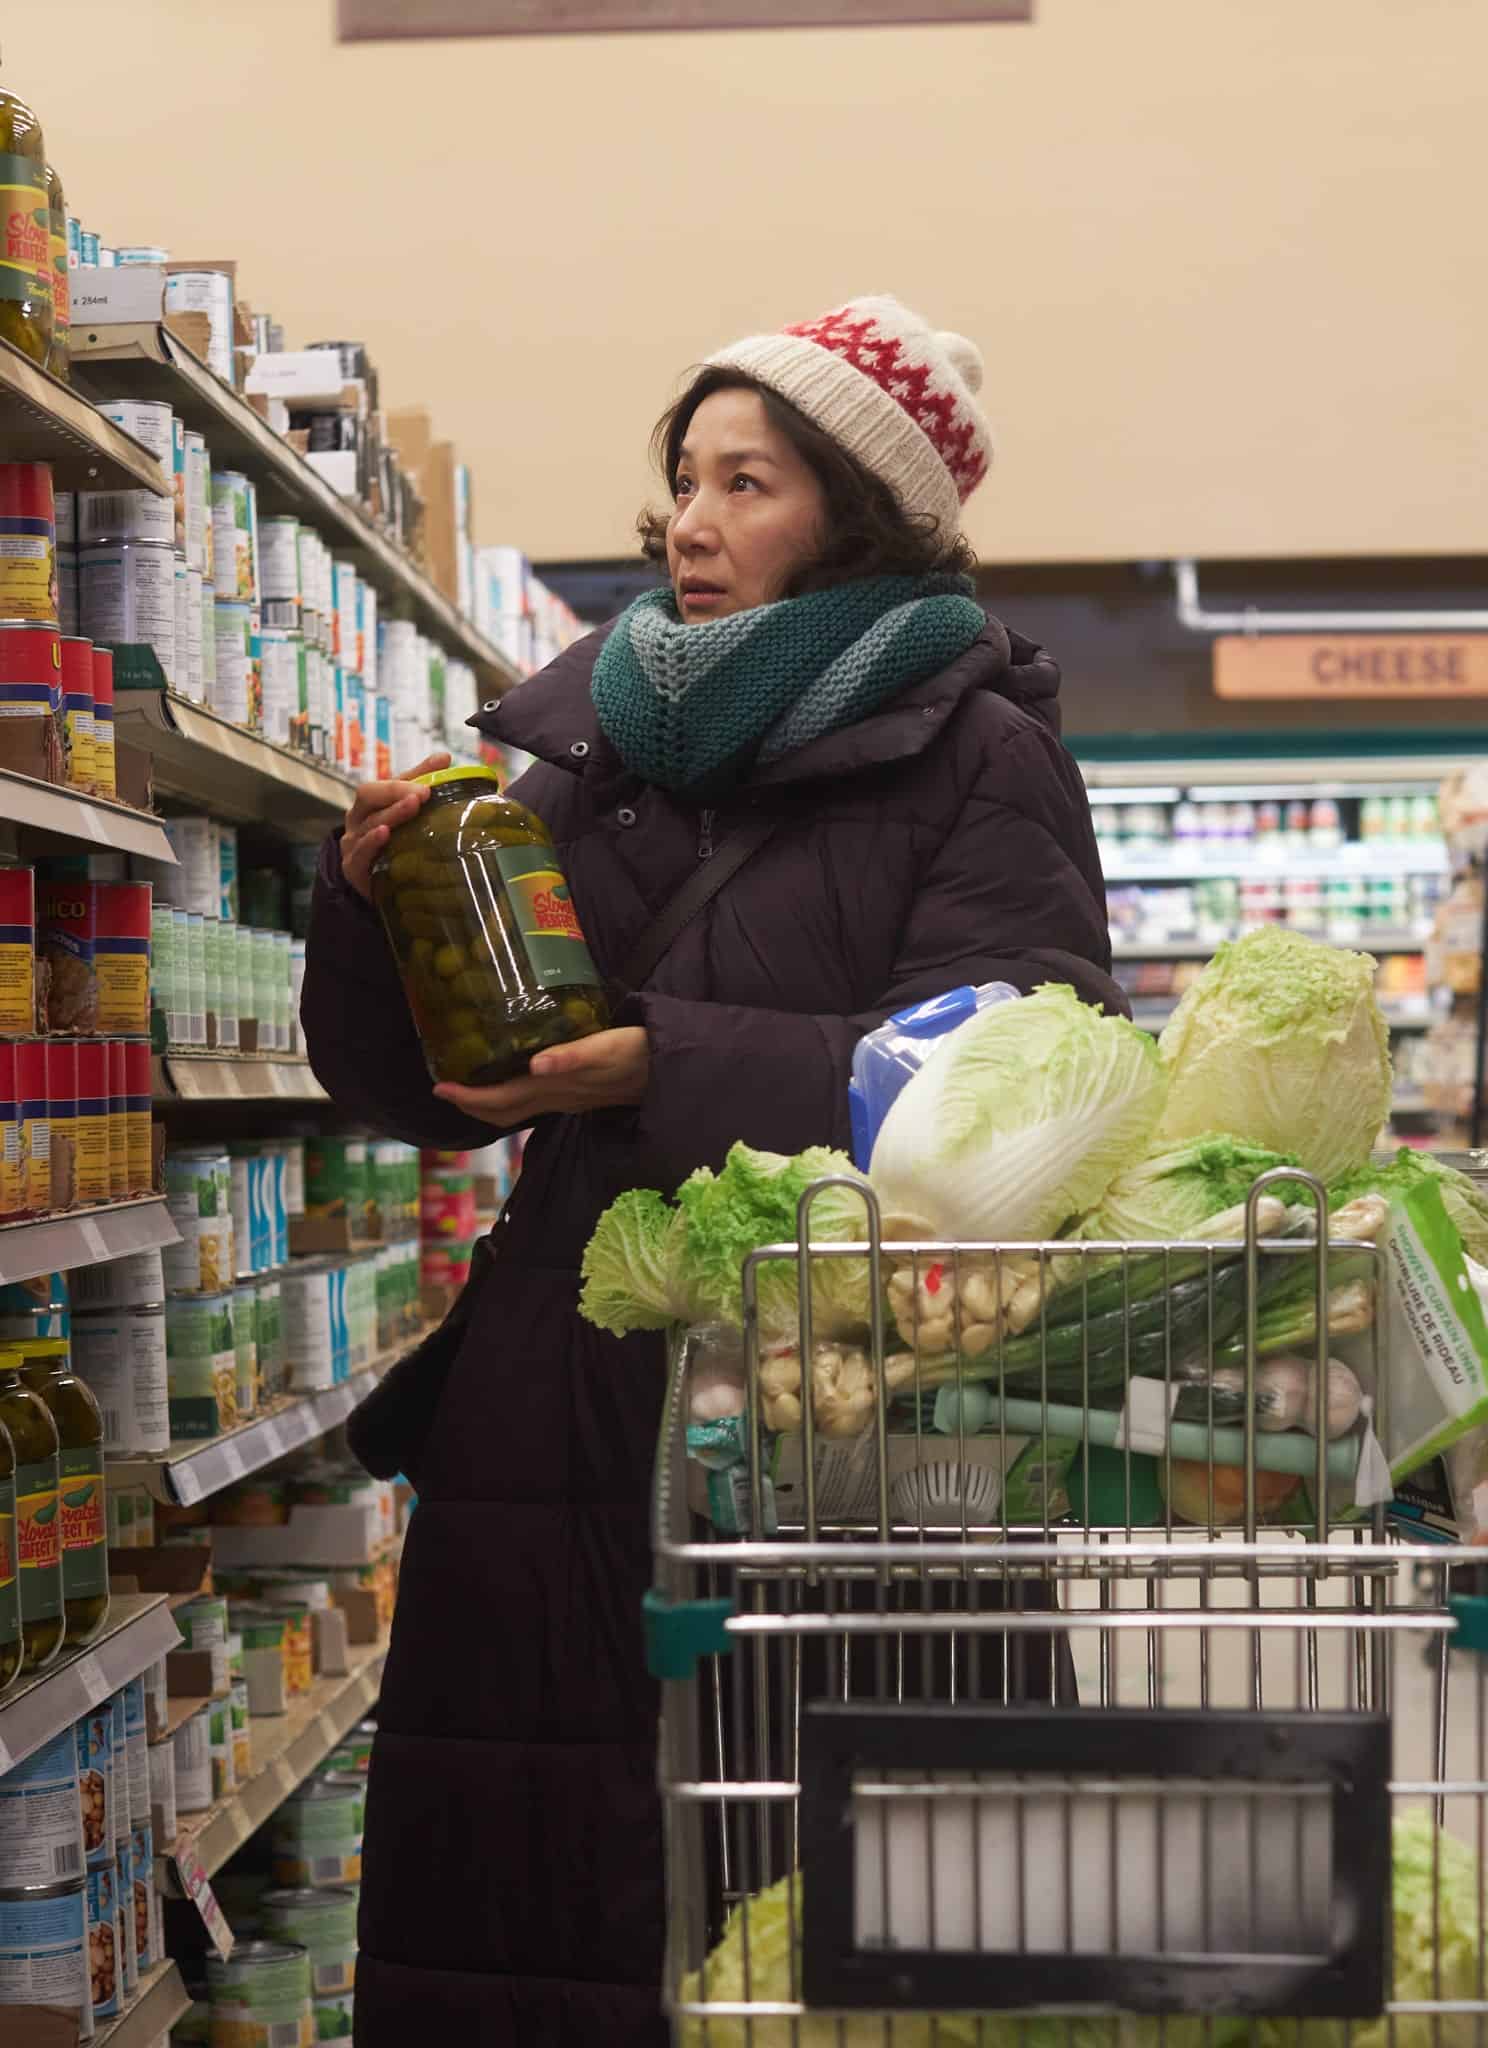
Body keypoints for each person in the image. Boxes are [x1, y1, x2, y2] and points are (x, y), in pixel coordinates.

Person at [302, 293, 1126, 2046]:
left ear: (859, 513)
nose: (690, 519)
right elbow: (444, 1101)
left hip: (857, 1434)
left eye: (749, 481)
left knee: (843, 1935)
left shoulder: (984, 760)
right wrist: (376, 917)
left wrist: (674, 1064)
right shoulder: (585, 760)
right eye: (684, 476)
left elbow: (1019, 1098)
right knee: (538, 1916)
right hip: (560, 1415)